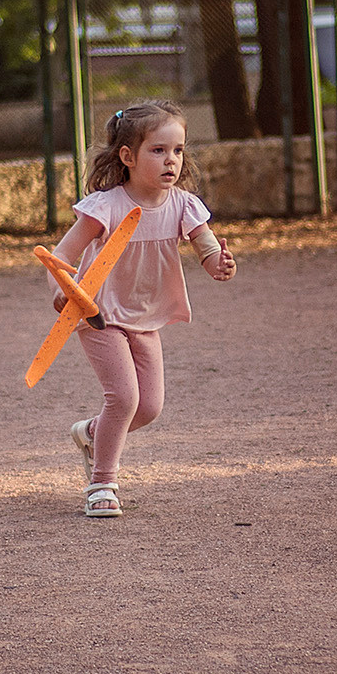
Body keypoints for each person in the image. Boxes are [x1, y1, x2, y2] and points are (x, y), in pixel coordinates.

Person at [46, 100, 237, 518]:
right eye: (158, 150)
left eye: (178, 150)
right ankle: (102, 484)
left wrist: (218, 264)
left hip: (145, 316)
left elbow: (206, 248)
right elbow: (60, 258)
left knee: (149, 407)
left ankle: (93, 433)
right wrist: (63, 291)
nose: (171, 160)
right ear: (128, 157)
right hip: (99, 314)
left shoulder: (183, 204)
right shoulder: (106, 207)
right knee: (125, 398)